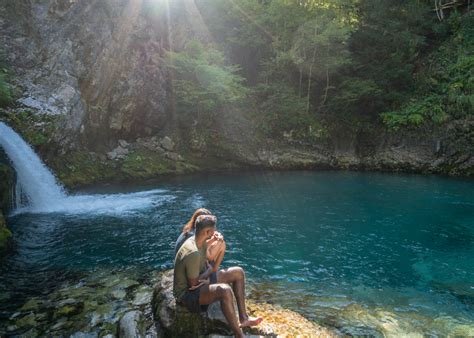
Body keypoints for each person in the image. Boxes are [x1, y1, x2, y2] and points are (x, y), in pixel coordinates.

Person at [173, 215, 263, 338]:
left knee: (238, 272)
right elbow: (193, 285)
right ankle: (239, 335)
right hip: (187, 295)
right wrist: (210, 271)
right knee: (225, 290)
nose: (215, 232)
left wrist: (217, 241)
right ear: (207, 231)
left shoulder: (199, 239)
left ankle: (243, 318)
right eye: (213, 230)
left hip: (199, 279)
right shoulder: (192, 252)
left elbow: (207, 255)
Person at [175, 208, 226, 273]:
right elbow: (208, 255)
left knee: (217, 244)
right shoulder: (192, 235)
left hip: (186, 262)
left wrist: (214, 238)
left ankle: (213, 269)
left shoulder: (190, 230)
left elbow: (201, 245)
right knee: (222, 244)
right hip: (189, 266)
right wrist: (219, 240)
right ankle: (214, 270)